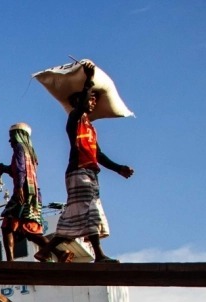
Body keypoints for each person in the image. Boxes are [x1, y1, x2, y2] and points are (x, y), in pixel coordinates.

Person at [37, 61, 134, 264]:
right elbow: (81, 106)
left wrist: (119, 169)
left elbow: (98, 154)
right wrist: (88, 79)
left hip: (87, 172)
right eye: (91, 98)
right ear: (79, 101)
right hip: (79, 172)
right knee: (91, 210)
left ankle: (46, 250)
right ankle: (99, 255)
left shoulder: (89, 127)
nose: (93, 103)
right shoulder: (74, 118)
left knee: (75, 215)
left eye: (95, 100)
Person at [0, 123, 49, 261]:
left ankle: (10, 260)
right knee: (30, 229)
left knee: (7, 225)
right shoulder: (31, 153)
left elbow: (20, 170)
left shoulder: (19, 148)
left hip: (23, 192)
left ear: (18, 135)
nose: (10, 140)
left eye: (11, 136)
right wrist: (3, 169)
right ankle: (58, 253)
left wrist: (19, 188)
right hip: (34, 194)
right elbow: (17, 170)